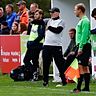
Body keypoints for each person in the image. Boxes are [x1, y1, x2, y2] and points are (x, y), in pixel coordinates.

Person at [42, 7, 67, 86]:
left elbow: (58, 30)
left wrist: (49, 27)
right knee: (46, 64)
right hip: (47, 45)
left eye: (53, 12)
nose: (51, 14)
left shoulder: (61, 21)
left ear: (57, 13)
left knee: (59, 64)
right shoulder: (49, 20)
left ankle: (63, 80)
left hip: (56, 46)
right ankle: (45, 81)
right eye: (50, 12)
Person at [73, 3, 91, 93]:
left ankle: (79, 87)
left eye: (75, 10)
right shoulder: (82, 20)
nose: (74, 12)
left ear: (80, 10)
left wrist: (80, 47)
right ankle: (86, 87)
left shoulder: (85, 21)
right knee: (84, 66)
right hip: (82, 45)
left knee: (81, 66)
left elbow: (84, 35)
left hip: (83, 45)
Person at [23, 9, 45, 81]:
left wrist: (33, 42)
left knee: (33, 60)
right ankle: (35, 73)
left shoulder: (41, 23)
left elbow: (41, 35)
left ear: (41, 15)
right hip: (31, 44)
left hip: (36, 44)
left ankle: (35, 74)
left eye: (37, 14)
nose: (35, 16)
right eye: (35, 14)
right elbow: (31, 33)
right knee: (27, 60)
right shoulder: (34, 23)